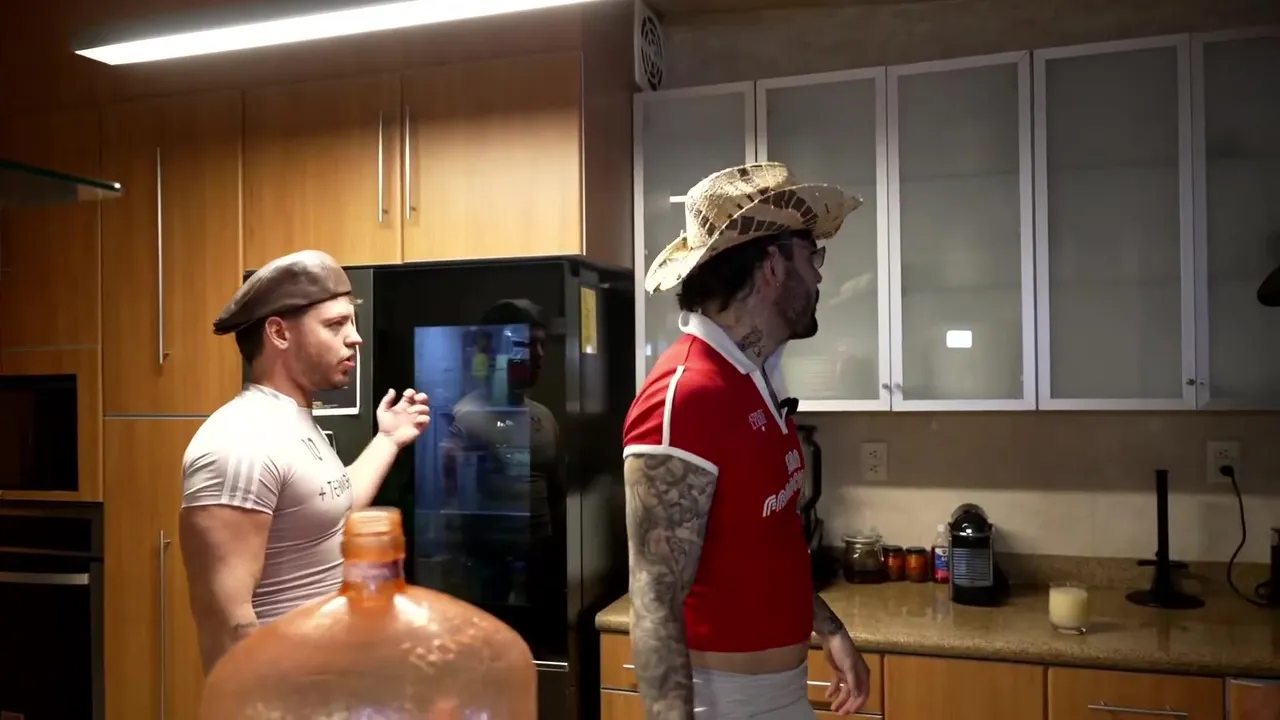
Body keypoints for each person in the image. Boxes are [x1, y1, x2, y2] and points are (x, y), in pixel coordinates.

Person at [622, 163, 871, 719]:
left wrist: (829, 629)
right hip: (723, 701)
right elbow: (654, 598)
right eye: (811, 257)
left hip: (780, 691)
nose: (819, 278)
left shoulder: (753, 378)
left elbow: (765, 539)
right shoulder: (685, 396)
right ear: (773, 265)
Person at [179, 249, 430, 673]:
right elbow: (225, 619)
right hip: (285, 691)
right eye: (335, 325)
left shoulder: (292, 422)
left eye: (352, 322)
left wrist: (388, 440)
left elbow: (330, 509)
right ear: (279, 333)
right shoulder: (240, 441)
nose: (355, 338)